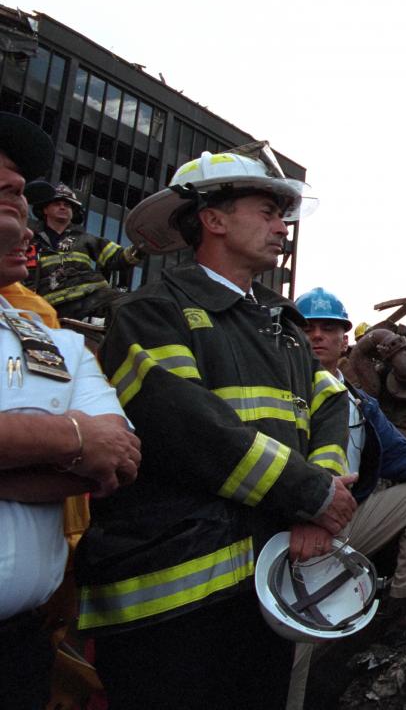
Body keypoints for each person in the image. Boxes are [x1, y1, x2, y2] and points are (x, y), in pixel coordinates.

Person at [76, 146, 354, 709]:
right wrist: (313, 494)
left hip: (265, 585)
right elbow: (186, 427)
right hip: (171, 600)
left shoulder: (281, 325)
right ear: (213, 219)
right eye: (267, 212)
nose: (282, 228)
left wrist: (319, 504)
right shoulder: (151, 312)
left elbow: (330, 405)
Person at [0, 113, 141, 709]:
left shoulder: (51, 337)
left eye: (21, 187)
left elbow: (116, 456)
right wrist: (74, 442)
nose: (19, 192)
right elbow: (90, 447)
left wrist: (27, 454)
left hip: (19, 647)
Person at [290, 287, 406, 708]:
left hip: (344, 522)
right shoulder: (279, 391)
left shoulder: (357, 401)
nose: (317, 336)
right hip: (291, 532)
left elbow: (398, 451)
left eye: (328, 329)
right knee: (292, 642)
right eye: (307, 328)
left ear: (344, 340)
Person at [25, 182, 141, 321]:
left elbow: (118, 258)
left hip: (94, 297)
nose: (63, 207)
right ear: (45, 209)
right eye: (57, 204)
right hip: (51, 307)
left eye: (67, 205)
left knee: (134, 307)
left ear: (73, 213)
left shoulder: (85, 239)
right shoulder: (29, 241)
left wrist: (142, 246)